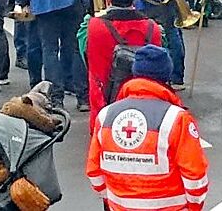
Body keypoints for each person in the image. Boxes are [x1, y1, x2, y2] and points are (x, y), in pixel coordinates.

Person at [86, 44, 209, 211]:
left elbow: (94, 171)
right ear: (166, 76)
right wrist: (193, 207)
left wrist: (114, 201)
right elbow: (195, 176)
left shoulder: (106, 115)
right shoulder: (177, 118)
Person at [83, 0, 162, 125]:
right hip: (146, 115)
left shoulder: (93, 27)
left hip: (104, 113)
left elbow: (88, 62)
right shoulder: (153, 29)